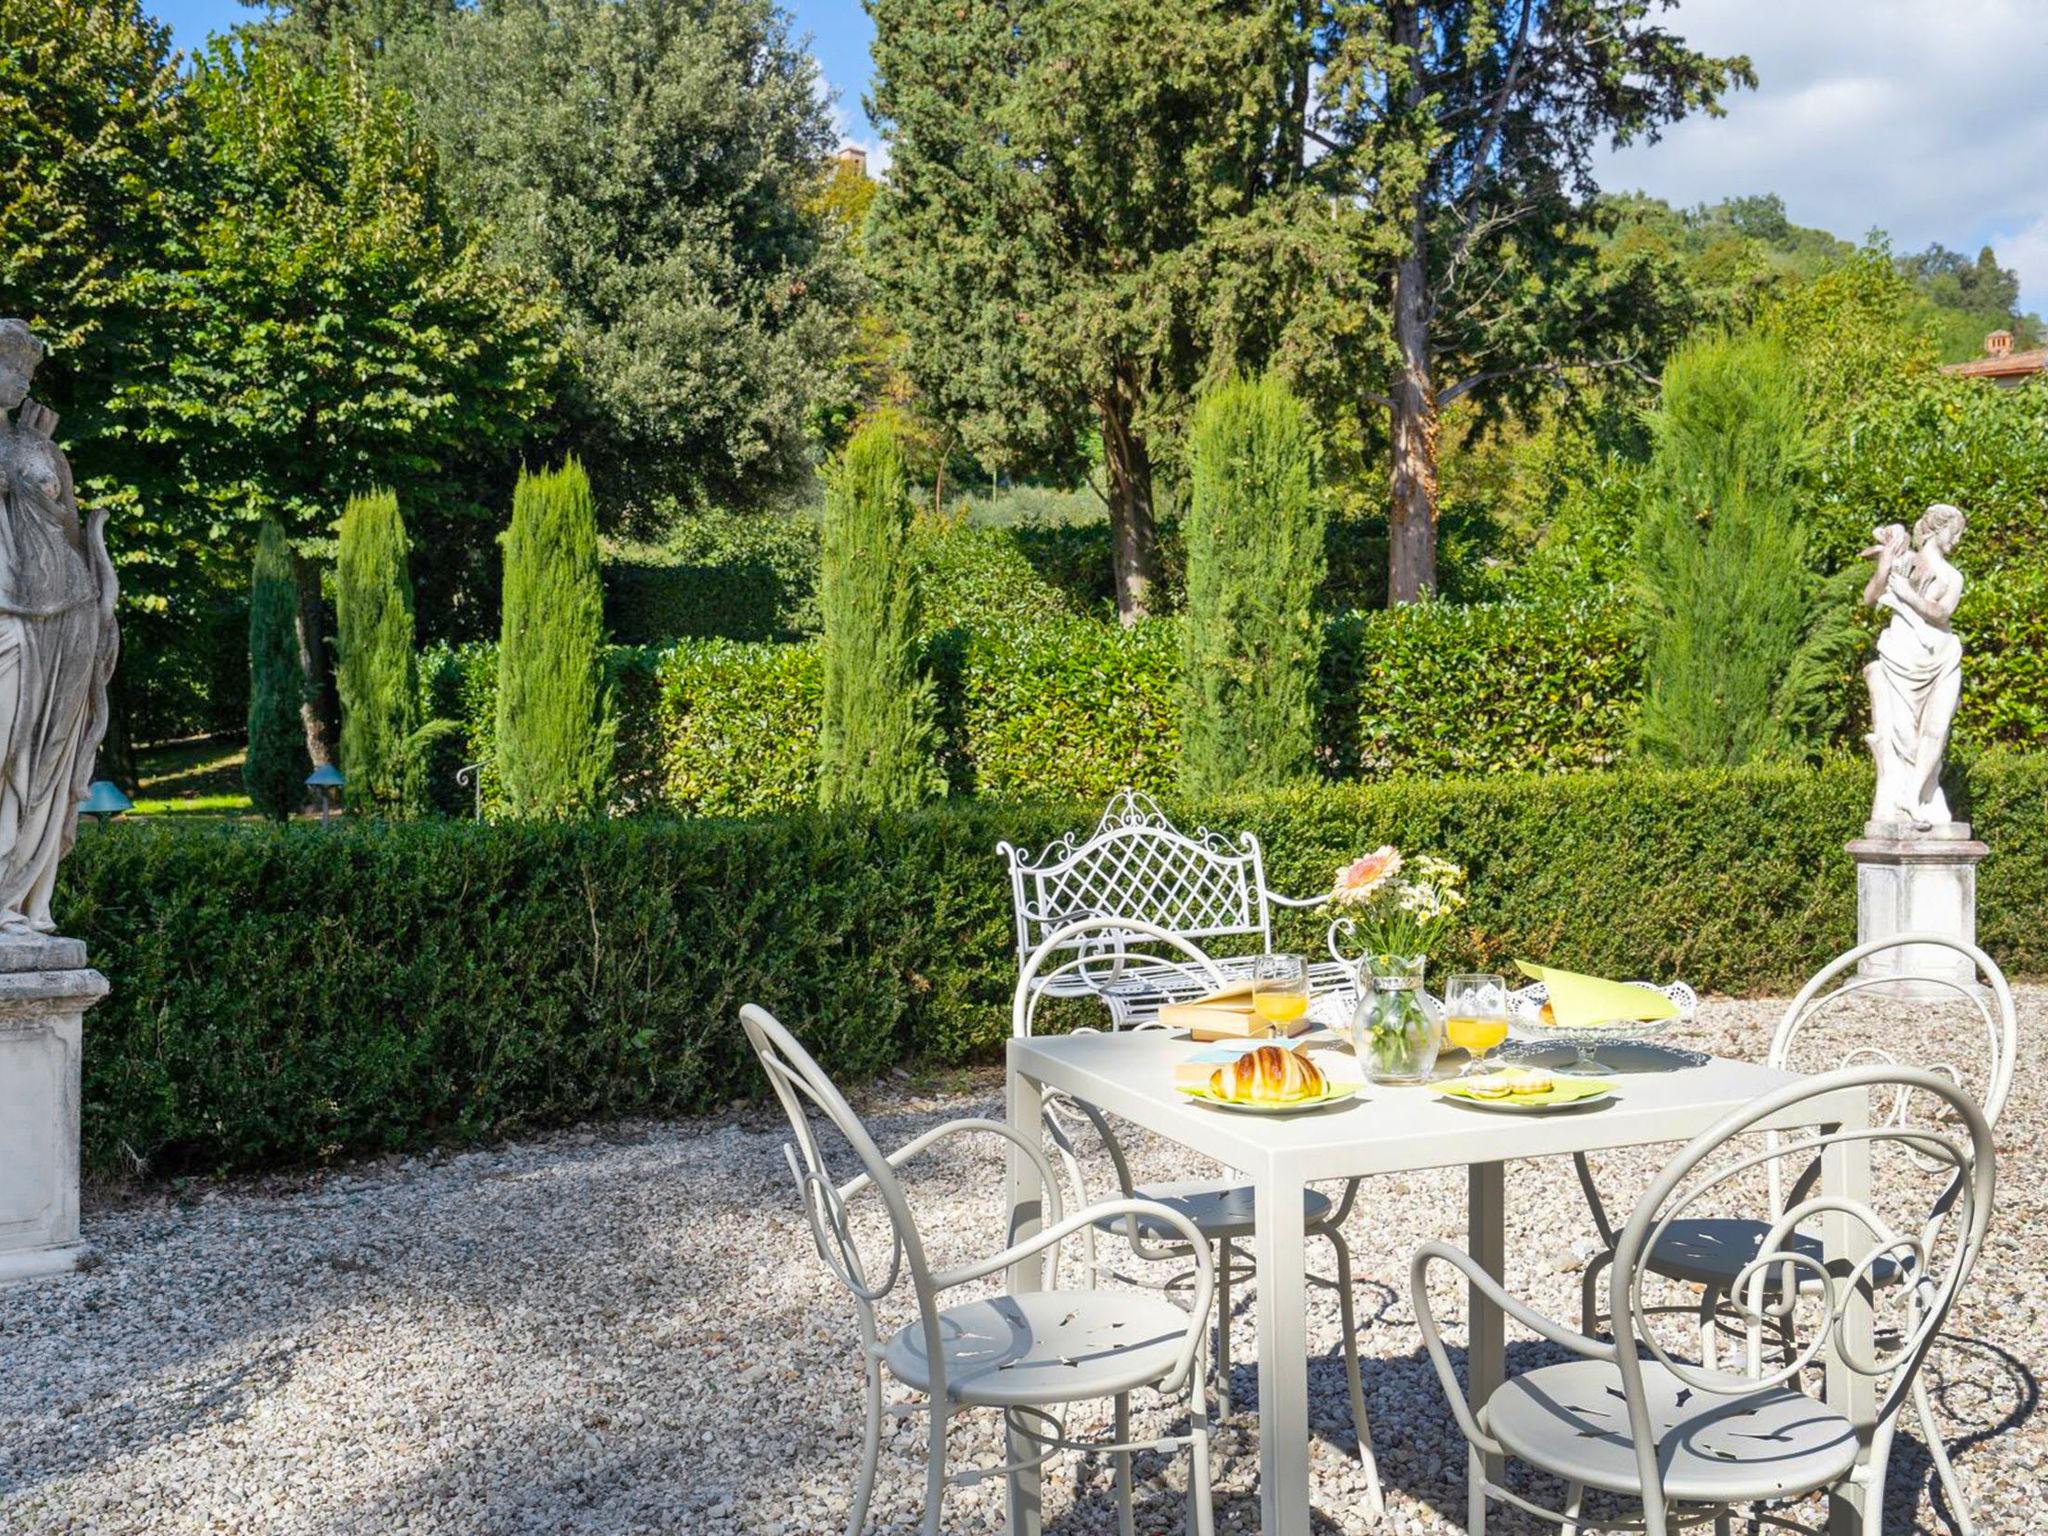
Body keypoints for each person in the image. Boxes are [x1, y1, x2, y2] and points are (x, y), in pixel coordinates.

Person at [0, 320, 120, 932]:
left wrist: (100, 591)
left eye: (24, 371)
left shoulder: (41, 449)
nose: (17, 381)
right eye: (6, 365)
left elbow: (72, 526)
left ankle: (25, 896)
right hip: (9, 619)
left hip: (66, 611)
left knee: (52, 753)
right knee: (6, 747)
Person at [1860, 502, 1966, 832]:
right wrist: (1886, 563)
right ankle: (1901, 795)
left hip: (1943, 656)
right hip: (1902, 657)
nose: (1959, 539)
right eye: (1955, 531)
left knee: (1937, 730)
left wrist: (1907, 595)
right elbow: (1870, 598)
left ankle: (1914, 795)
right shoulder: (1906, 561)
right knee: (1904, 734)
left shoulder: (1954, 576)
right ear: (1937, 528)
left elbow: (1941, 613)